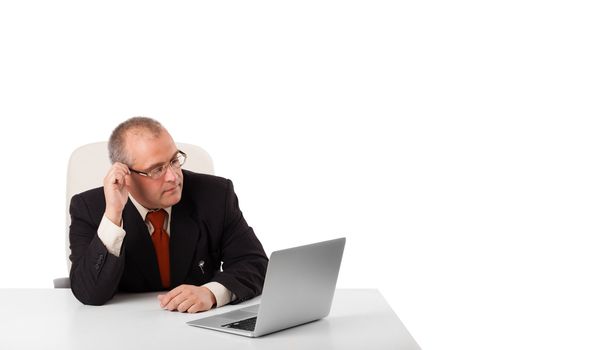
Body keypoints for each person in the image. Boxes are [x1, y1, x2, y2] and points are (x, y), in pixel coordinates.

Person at [69, 117, 268, 313]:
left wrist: (211, 293)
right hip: (125, 330)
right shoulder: (89, 208)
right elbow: (89, 293)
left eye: (174, 161)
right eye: (157, 169)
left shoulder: (215, 194)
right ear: (126, 176)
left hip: (197, 326)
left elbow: (256, 264)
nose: (174, 176)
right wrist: (114, 215)